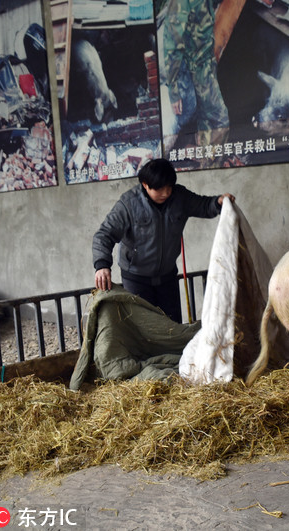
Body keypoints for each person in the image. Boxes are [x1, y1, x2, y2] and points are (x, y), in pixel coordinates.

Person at [92, 158, 234, 323]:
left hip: (167, 277)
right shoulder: (128, 204)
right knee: (143, 328)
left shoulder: (179, 197)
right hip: (136, 279)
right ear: (145, 184)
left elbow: (203, 205)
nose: (166, 193)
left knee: (171, 326)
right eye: (160, 189)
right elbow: (104, 234)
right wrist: (102, 265)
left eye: (169, 188)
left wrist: (218, 202)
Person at [162, 0, 230, 148]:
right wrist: (174, 91)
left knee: (206, 120)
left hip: (206, 64)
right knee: (220, 119)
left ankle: (206, 157)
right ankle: (211, 164)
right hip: (194, 70)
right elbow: (172, 47)